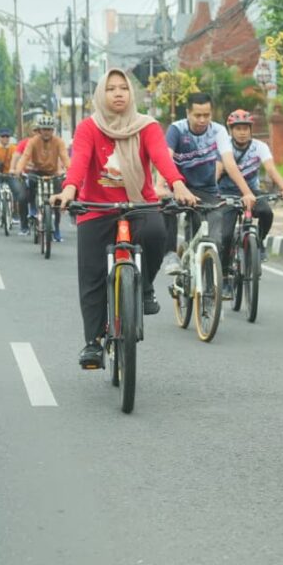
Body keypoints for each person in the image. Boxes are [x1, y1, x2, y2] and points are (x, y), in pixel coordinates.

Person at [53, 68, 197, 369]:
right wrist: (68, 191)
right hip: (96, 207)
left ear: (132, 94)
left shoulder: (147, 127)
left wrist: (179, 185)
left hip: (139, 204)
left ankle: (144, 287)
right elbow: (79, 163)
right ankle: (93, 343)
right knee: (91, 276)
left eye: (123, 88)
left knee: (157, 233)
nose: (118, 93)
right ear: (101, 95)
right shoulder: (89, 128)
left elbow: (160, 157)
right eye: (111, 88)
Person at [158, 93, 257, 288]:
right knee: (166, 206)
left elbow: (228, 162)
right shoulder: (177, 130)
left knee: (214, 239)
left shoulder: (218, 131)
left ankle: (211, 288)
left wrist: (246, 192)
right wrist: (160, 186)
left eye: (207, 115)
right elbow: (165, 159)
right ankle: (170, 255)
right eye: (197, 115)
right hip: (178, 186)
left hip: (206, 190)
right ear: (188, 113)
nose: (202, 120)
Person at [217, 108, 283, 296]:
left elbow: (271, 168)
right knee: (225, 236)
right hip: (227, 193)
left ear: (251, 129)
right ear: (230, 130)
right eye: (238, 128)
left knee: (266, 212)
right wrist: (211, 192)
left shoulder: (260, 146)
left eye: (245, 128)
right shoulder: (224, 146)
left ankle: (258, 242)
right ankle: (225, 278)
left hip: (252, 191)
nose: (242, 132)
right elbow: (217, 171)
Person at [15, 114, 70, 242]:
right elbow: (25, 156)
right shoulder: (33, 141)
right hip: (36, 172)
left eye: (49, 129)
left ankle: (56, 228)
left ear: (53, 130)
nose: (46, 132)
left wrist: (70, 170)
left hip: (53, 173)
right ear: (39, 130)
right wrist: (19, 169)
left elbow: (65, 158)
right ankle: (25, 224)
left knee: (57, 201)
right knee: (23, 197)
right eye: (44, 129)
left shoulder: (59, 142)